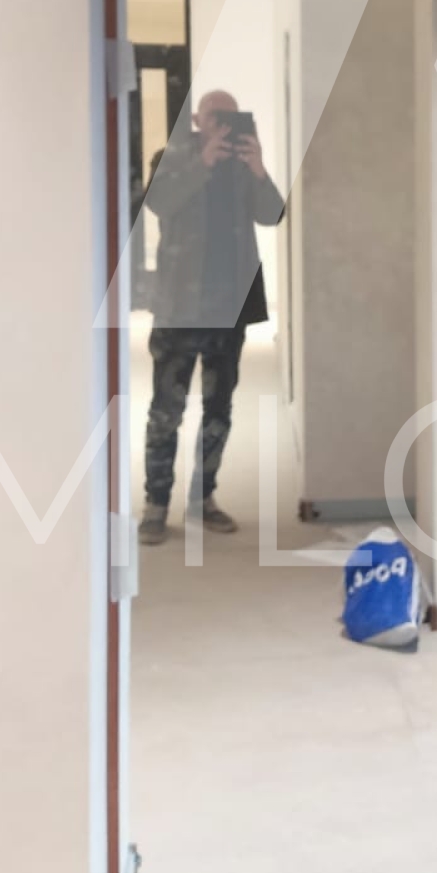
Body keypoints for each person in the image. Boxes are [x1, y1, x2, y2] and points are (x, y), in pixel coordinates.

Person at [138, 89, 285, 545]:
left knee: (219, 409)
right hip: (179, 307)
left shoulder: (243, 164)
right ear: (198, 120)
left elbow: (273, 214)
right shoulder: (171, 157)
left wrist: (258, 168)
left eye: (230, 116)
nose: (222, 122)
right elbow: (158, 203)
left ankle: (203, 498)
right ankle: (156, 504)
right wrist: (203, 162)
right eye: (214, 115)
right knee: (166, 410)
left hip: (230, 308)